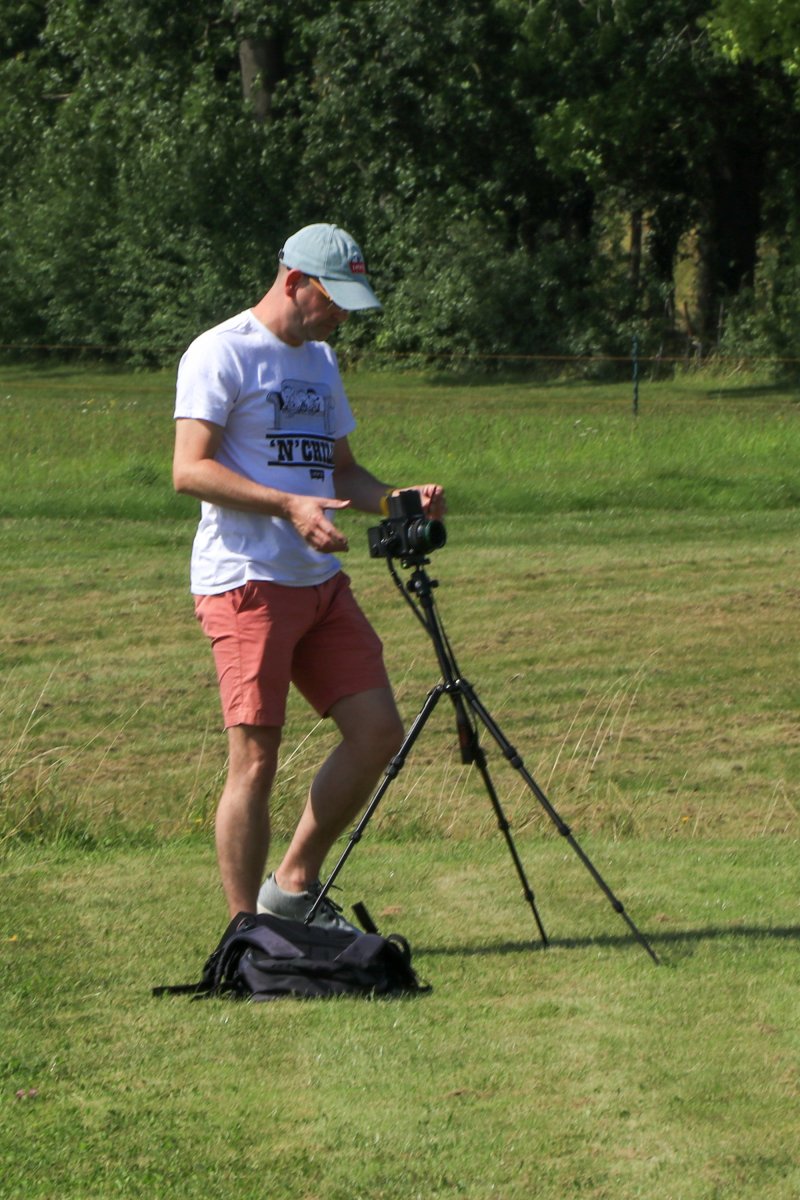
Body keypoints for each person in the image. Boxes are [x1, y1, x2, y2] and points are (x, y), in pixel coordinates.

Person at [173, 222, 445, 932]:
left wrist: (397, 502)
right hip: (247, 581)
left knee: (378, 731)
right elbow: (189, 470)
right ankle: (248, 939)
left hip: (319, 582)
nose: (342, 317)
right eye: (334, 300)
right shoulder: (221, 351)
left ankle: (291, 889)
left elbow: (341, 472)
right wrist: (289, 505)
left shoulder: (321, 361)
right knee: (255, 761)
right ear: (294, 281)